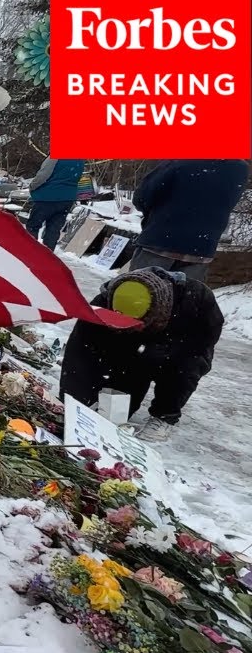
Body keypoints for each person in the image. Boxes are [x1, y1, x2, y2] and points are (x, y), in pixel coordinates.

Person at [60, 267, 223, 442]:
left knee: (187, 366)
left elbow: (203, 343)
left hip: (177, 350)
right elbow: (79, 353)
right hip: (132, 349)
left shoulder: (196, 299)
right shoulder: (103, 302)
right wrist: (72, 402)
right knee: (119, 409)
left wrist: (164, 352)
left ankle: (165, 415)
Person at [130, 159, 251, 282]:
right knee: (186, 298)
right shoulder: (240, 168)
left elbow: (142, 197)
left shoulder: (182, 160)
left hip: (161, 242)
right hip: (202, 248)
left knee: (137, 293)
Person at [25, 157, 86, 250]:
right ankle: (47, 257)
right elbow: (76, 178)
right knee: (53, 230)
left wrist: (32, 186)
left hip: (47, 197)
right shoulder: (80, 159)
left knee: (33, 226)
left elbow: (43, 175)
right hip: (67, 199)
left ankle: (28, 252)